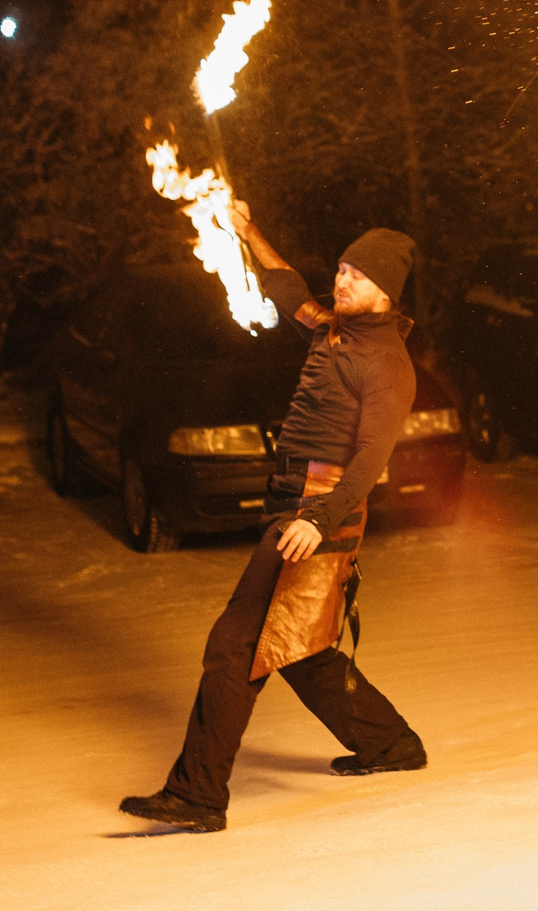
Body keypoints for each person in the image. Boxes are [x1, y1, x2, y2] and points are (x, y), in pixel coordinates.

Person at [119, 203, 429, 832]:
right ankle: (390, 743)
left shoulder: (387, 364)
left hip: (318, 513)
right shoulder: (333, 329)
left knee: (234, 646)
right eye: (342, 269)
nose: (342, 281)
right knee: (298, 648)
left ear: (386, 292)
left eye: (358, 275)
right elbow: (288, 288)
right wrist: (247, 231)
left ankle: (198, 794)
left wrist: (318, 519)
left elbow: (372, 460)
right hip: (292, 501)